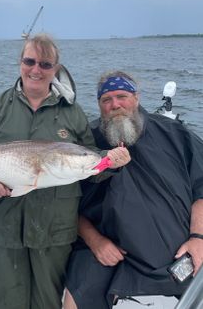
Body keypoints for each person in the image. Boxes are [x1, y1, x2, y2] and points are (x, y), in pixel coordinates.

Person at [0, 35, 130, 309]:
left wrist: (110, 164)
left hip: (54, 232)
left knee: (47, 303)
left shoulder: (73, 114)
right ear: (20, 63)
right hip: (0, 230)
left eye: (45, 64)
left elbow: (90, 167)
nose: (36, 70)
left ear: (56, 68)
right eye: (29, 61)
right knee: (4, 303)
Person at [64, 71, 203, 309]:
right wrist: (95, 241)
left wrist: (198, 238)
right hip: (108, 251)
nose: (115, 104)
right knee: (75, 300)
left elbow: (201, 187)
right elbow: (64, 204)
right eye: (106, 100)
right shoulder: (86, 144)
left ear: (136, 98)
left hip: (173, 248)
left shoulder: (175, 135)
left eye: (121, 96)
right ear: (99, 105)